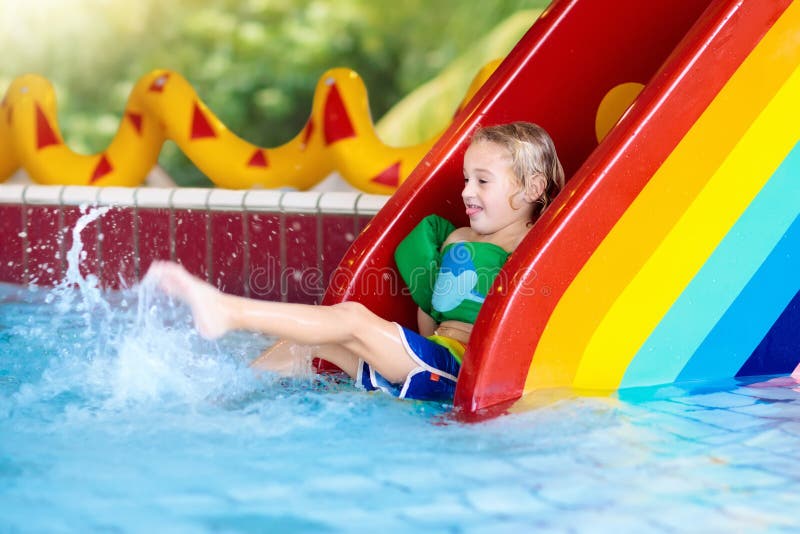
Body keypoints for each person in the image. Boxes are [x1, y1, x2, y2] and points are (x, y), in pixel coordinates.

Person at [148, 122, 565, 401]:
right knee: (302, 345)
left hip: (461, 369)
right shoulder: (457, 238)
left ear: (532, 188)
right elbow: (429, 315)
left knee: (350, 317)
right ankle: (217, 395)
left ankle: (228, 310)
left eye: (483, 181)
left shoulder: (533, 247)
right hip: (428, 354)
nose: (467, 191)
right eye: (466, 179)